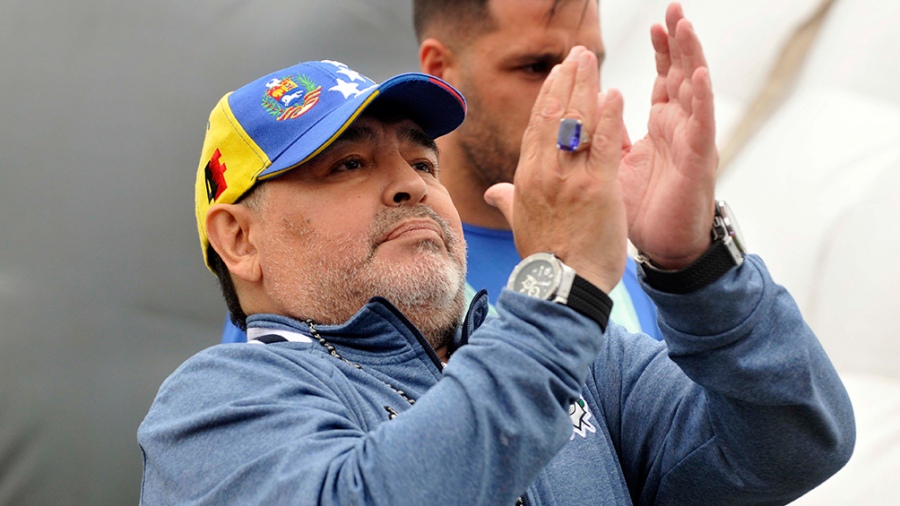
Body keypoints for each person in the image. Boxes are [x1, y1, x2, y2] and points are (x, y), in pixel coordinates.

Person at [139, 7, 854, 505]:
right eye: (348, 166)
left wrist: (691, 264)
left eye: (423, 163)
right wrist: (557, 283)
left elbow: (795, 440)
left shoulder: (594, 364)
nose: (410, 187)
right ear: (239, 238)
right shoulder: (211, 408)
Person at [219, 0, 661, 344]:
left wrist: (694, 263)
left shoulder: (618, 266)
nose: (574, 99)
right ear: (440, 68)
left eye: (590, 67)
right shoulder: (321, 285)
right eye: (535, 66)